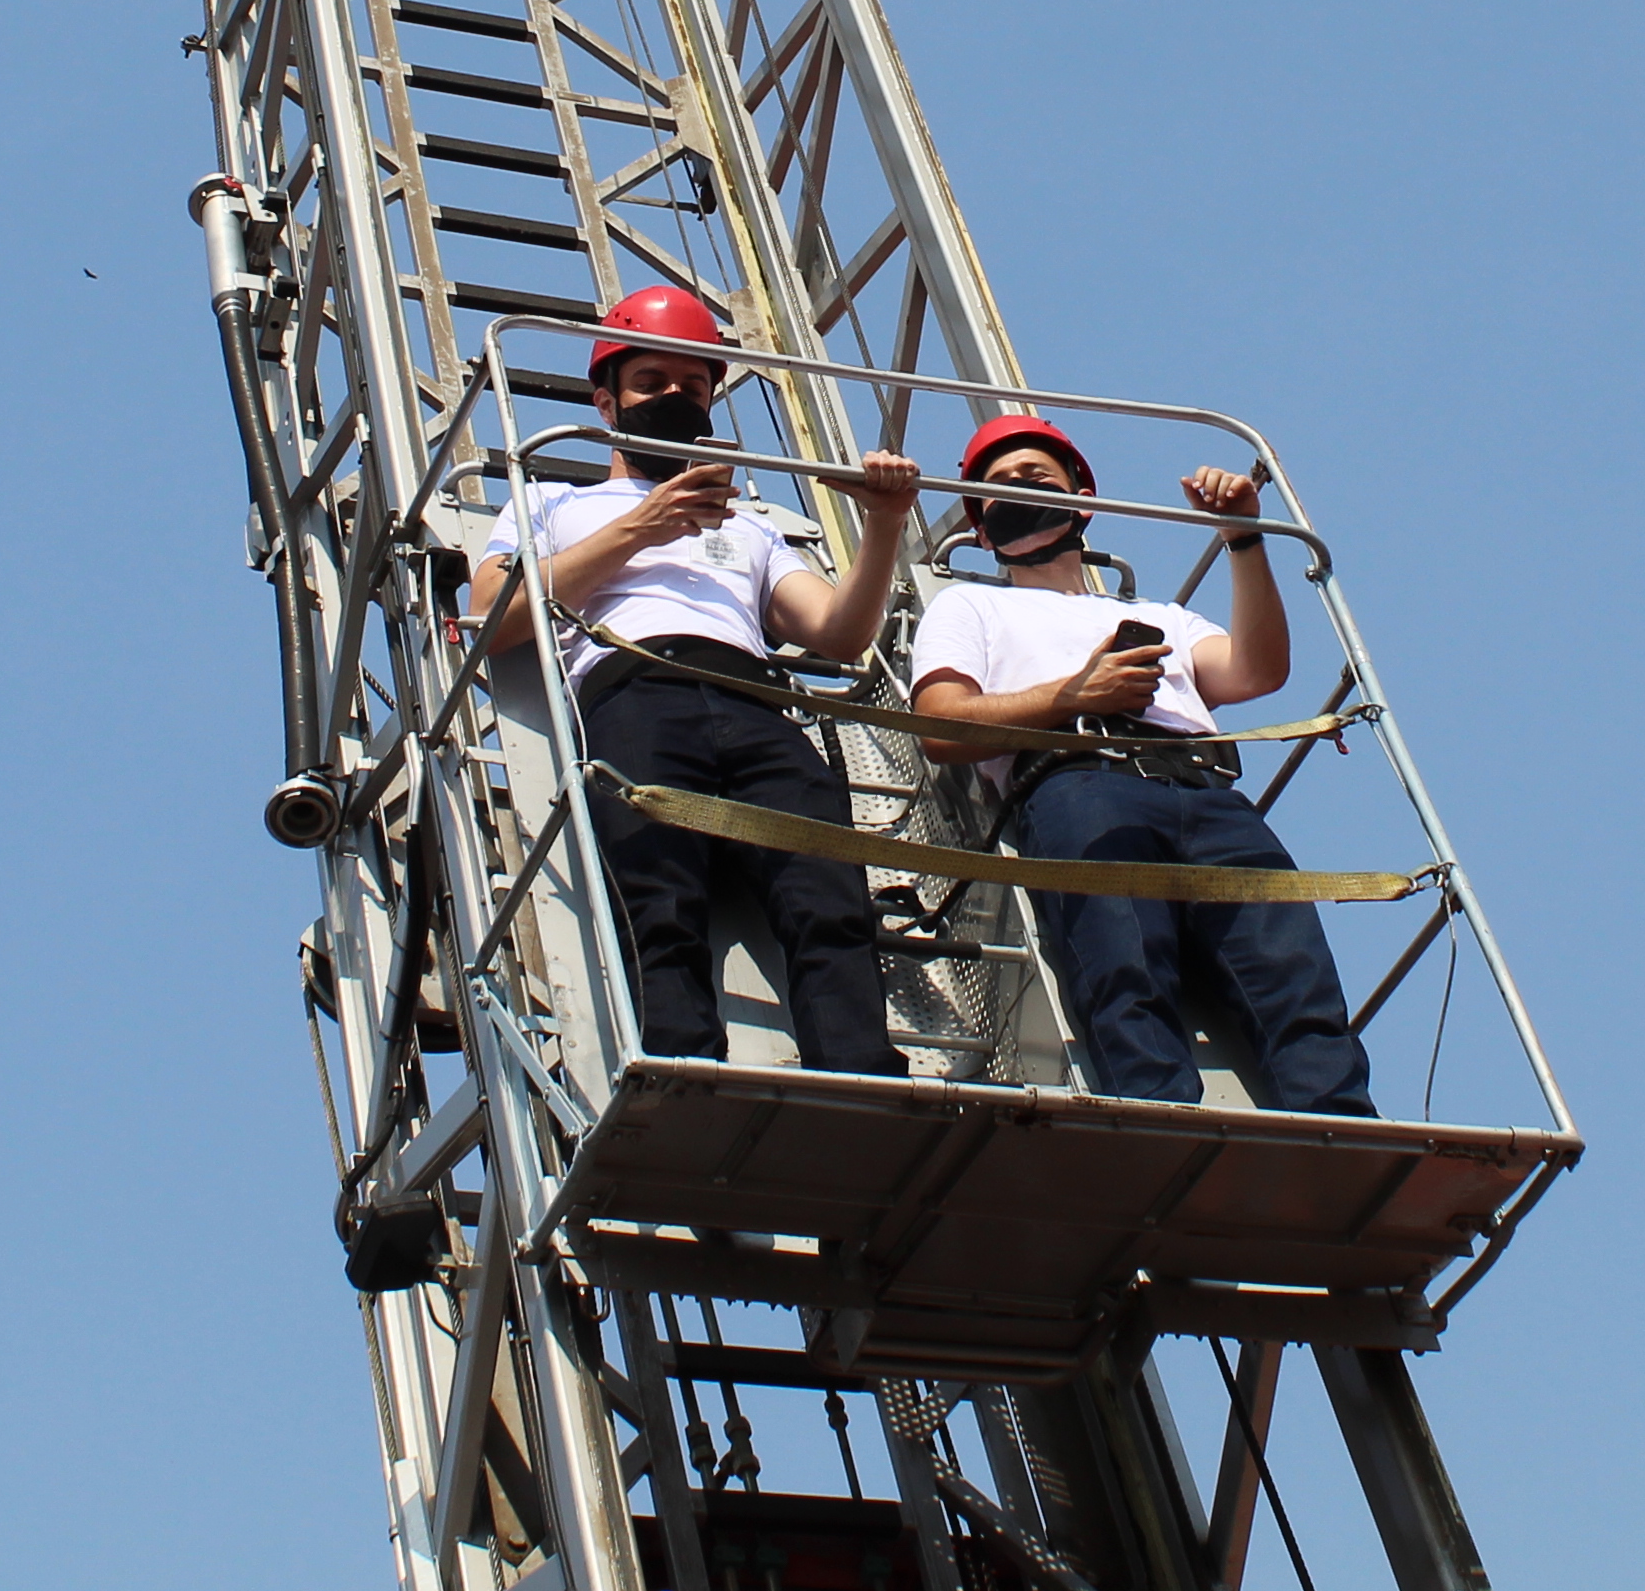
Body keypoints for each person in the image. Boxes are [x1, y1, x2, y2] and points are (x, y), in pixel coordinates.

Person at [469, 288, 920, 1079]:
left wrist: (884, 522)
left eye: (692, 385)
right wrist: (642, 527)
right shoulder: (553, 503)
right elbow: (491, 615)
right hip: (634, 691)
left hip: (755, 702)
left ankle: (858, 1070)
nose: (673, 398)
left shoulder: (750, 526)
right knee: (658, 898)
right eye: (651, 383)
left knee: (827, 894)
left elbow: (839, 632)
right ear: (606, 401)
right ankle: (683, 1074)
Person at [902, 414, 1376, 1116]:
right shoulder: (970, 607)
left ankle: (1340, 1125)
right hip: (1078, 783)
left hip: (1205, 792)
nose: (1019, 490)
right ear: (979, 528)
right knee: (1123, 967)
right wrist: (1074, 695)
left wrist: (1243, 538)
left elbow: (1257, 670)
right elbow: (941, 724)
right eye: (998, 486)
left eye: (1035, 477)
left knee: (1291, 971)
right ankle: (1161, 1123)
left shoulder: (1162, 617)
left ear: (1082, 502)